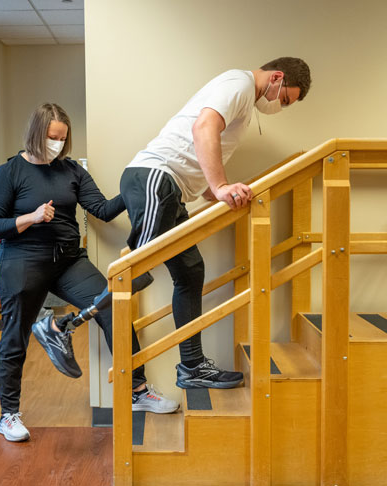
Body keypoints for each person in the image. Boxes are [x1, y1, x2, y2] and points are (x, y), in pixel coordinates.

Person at [0, 103, 178, 443]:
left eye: (62, 138)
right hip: (23, 261)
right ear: (35, 133)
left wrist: (137, 190)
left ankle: (138, 391)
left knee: (114, 307)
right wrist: (29, 217)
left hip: (69, 260)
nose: (57, 144)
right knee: (15, 335)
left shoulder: (71, 171)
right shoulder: (9, 172)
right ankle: (8, 414)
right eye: (51, 137)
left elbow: (101, 209)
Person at [119, 57, 312, 389]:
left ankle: (192, 367)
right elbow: (203, 128)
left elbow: (205, 150)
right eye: (283, 99)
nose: (279, 107)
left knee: (190, 271)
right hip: (155, 179)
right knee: (134, 271)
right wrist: (222, 186)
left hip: (172, 189)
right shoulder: (238, 84)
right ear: (277, 77)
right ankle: (62, 327)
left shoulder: (243, 101)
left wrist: (216, 191)